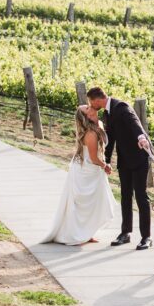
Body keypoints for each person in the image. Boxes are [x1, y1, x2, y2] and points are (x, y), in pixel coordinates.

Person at [86, 86, 152, 250]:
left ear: (97, 100)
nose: (90, 105)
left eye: (90, 102)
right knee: (125, 196)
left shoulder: (121, 107)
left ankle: (146, 237)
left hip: (138, 158)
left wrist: (142, 138)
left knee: (141, 196)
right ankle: (125, 233)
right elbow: (112, 138)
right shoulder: (108, 112)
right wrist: (106, 160)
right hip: (124, 161)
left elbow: (135, 123)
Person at [42, 105, 116, 245]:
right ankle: (78, 234)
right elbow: (94, 158)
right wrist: (105, 166)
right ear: (86, 117)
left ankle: (88, 233)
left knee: (94, 203)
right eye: (87, 108)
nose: (91, 107)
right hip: (86, 170)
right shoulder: (90, 134)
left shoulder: (99, 124)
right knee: (83, 204)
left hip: (93, 170)